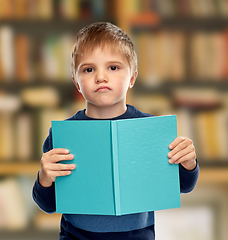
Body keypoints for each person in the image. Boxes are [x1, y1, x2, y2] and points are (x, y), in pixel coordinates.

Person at [31, 22, 199, 240]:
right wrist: (44, 178)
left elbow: (184, 186)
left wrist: (189, 163)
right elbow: (48, 204)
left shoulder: (151, 130)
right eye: (89, 69)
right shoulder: (63, 135)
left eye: (113, 67)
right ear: (76, 82)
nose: (101, 77)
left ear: (132, 78)